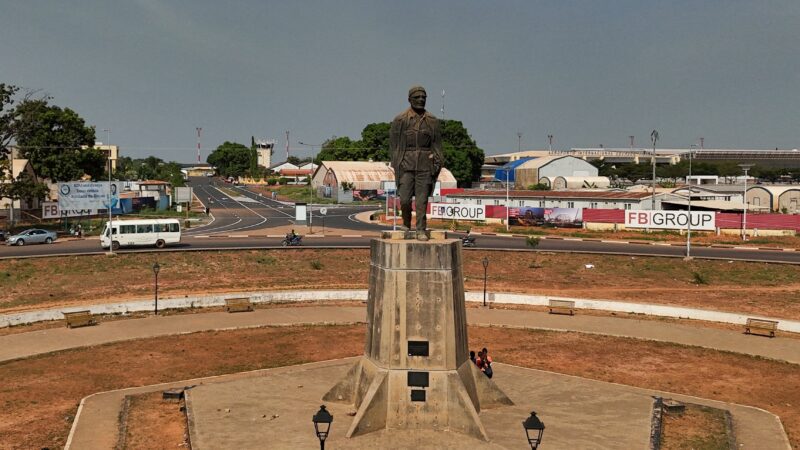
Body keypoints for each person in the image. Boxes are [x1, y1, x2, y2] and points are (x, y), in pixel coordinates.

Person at [389, 85, 443, 241]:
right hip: (406, 164)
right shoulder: (400, 119)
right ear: (409, 99)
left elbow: (437, 145)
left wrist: (437, 163)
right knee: (405, 200)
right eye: (417, 97)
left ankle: (420, 229)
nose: (421, 100)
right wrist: (397, 163)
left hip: (425, 165)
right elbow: (393, 145)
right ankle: (406, 223)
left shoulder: (432, 120)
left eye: (423, 97)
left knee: (422, 201)